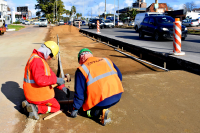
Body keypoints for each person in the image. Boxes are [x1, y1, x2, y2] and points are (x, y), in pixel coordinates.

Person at [71, 48, 124, 126]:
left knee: (82, 110)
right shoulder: (107, 60)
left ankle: (98, 112)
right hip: (117, 95)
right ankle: (103, 107)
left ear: (80, 59)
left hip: (102, 102)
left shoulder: (82, 69)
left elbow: (80, 93)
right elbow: (119, 77)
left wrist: (76, 109)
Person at [22, 41, 70, 120]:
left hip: (34, 93)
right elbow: (40, 80)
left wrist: (63, 88)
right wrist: (56, 80)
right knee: (56, 107)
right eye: (51, 55)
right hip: (37, 95)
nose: (50, 58)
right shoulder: (37, 61)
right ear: (47, 50)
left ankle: (29, 104)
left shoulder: (41, 60)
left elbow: (52, 76)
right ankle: (36, 108)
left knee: (54, 99)